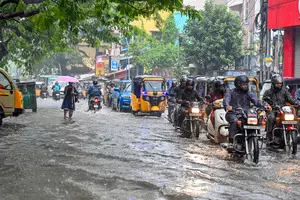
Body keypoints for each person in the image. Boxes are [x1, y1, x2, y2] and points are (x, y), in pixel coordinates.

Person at [224, 75, 270, 145]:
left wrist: (265, 106)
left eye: (247, 84)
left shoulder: (248, 93)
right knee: (234, 121)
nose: (246, 86)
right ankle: (231, 140)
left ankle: (255, 135)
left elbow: (256, 101)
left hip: (245, 114)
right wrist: (227, 106)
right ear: (238, 85)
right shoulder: (230, 92)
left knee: (255, 119)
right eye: (244, 85)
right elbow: (226, 100)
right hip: (233, 113)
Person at [263, 74, 298, 144]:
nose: (279, 85)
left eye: (280, 84)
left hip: (283, 110)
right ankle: (269, 136)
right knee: (271, 117)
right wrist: (267, 105)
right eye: (277, 84)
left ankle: (293, 133)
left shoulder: (284, 91)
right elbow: (264, 101)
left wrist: (296, 103)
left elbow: (290, 99)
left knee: (293, 118)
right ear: (273, 84)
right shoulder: (268, 92)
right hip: (272, 110)